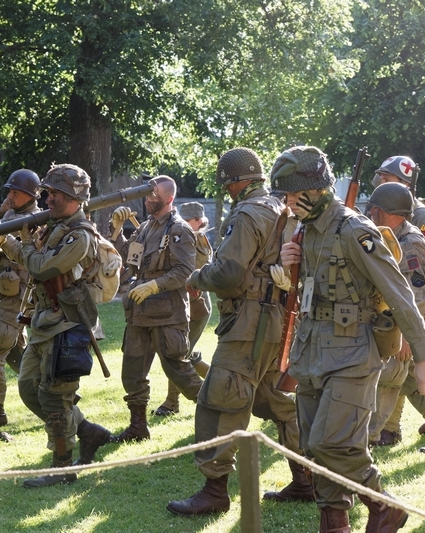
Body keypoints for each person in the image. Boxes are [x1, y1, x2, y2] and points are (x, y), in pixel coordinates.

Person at [273, 146, 425, 532]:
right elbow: (307, 291)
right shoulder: (308, 230)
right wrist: (286, 266)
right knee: (313, 448)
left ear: (312, 191)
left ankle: (384, 507)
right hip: (312, 349)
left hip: (353, 353)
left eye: (290, 195)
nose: (286, 203)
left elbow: (399, 294)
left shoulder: (354, 230)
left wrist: (422, 355)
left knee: (332, 444)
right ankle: (334, 523)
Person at [167, 147, 312, 517]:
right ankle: (307, 477)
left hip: (249, 322)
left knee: (220, 401)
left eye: (227, 184)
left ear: (234, 182)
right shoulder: (278, 207)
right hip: (273, 321)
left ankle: (215, 490)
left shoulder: (247, 213)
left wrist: (197, 277)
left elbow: (230, 272)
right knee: (270, 400)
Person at [0, 164, 112, 488]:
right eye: (47, 193)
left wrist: (25, 245)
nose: (46, 199)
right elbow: (28, 256)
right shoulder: (53, 227)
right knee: (28, 387)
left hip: (68, 326)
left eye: (53, 194)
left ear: (71, 197)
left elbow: (42, 267)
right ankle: (88, 432)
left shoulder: (80, 235)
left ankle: (63, 466)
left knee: (54, 397)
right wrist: (7, 240)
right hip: (45, 322)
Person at [366, 184, 425, 456]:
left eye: (375, 209)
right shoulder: (389, 236)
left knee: (386, 381)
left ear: (386, 211)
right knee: (410, 382)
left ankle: (368, 440)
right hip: (394, 327)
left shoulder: (410, 242)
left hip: (403, 330)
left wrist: (408, 336)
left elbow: (421, 297)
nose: (371, 212)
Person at [109, 176, 203, 442]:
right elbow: (128, 258)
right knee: (133, 372)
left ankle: (218, 419)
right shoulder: (146, 228)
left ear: (169, 198)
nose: (149, 198)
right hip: (139, 313)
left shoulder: (179, 229)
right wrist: (116, 229)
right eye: (148, 194)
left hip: (167, 315)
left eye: (154, 194)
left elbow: (185, 271)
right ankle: (138, 427)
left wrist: (154, 285)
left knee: (178, 371)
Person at [0, 172, 42, 429]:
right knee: (14, 352)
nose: (10, 196)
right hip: (7, 290)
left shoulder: (34, 220)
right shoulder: (12, 215)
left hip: (17, 295)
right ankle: (49, 395)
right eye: (9, 191)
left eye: (16, 192)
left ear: (31, 196)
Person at [152, 201, 213, 417]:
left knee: (178, 355)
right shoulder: (188, 237)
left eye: (188, 221)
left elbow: (189, 273)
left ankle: (172, 403)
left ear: (198, 221)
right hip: (183, 303)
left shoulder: (195, 239)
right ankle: (221, 388)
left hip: (195, 304)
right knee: (186, 354)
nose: (182, 225)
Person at [374, 155, 425, 250]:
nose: (382, 184)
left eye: (387, 180)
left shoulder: (421, 215)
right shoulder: (385, 209)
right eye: (381, 180)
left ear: (406, 184)